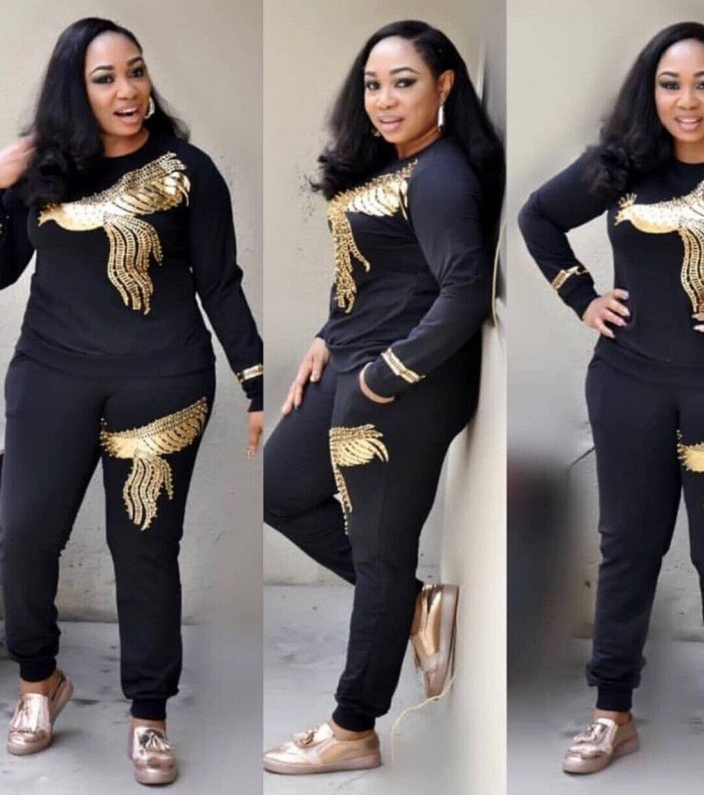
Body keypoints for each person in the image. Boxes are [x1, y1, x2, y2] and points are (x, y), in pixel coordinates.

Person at [519, 20, 704, 789]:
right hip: (627, 384)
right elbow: (538, 217)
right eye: (670, 84)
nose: (687, 100)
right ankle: (613, 711)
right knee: (628, 548)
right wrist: (581, 296)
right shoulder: (622, 166)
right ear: (651, 90)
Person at [0, 17, 263, 786]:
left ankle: (150, 715)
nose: (128, 90)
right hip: (51, 375)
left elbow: (220, 282)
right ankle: (40, 682)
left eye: (136, 70)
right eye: (106, 77)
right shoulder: (44, 170)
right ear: (74, 91)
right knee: (23, 535)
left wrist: (255, 381)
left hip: (162, 381)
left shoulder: (187, 171)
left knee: (144, 549)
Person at [263, 19, 503, 775]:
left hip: (404, 384)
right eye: (374, 85)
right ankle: (415, 603)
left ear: (445, 86)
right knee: (279, 487)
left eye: (404, 83)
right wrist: (328, 335)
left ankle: (353, 727)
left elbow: (465, 290)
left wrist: (386, 376)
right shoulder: (394, 163)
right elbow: (371, 271)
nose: (385, 100)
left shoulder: (442, 177)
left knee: (378, 552)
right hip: (353, 358)